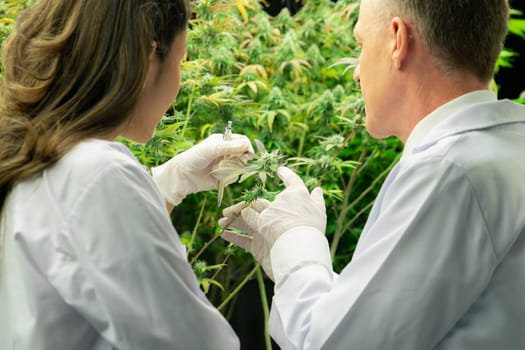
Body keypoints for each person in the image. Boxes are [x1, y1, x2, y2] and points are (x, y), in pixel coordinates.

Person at [220, 0, 525, 349]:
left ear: (398, 40)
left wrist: (297, 243)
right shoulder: (508, 147)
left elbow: (335, 344)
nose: (356, 72)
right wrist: (288, 259)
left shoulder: (449, 172)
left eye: (362, 44)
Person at [0, 1, 253, 349]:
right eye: (180, 61)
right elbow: (190, 342)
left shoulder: (33, 157)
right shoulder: (98, 172)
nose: (178, 81)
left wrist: (168, 183)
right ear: (150, 59)